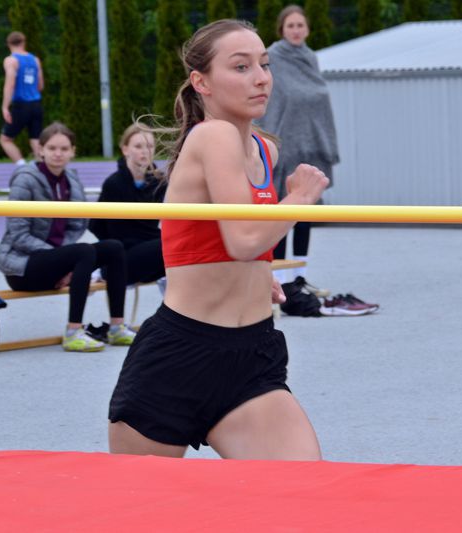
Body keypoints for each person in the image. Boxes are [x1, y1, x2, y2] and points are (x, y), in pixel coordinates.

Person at [108, 19, 329, 460]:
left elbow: (228, 241)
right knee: (141, 515)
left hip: (251, 355)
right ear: (201, 82)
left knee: (302, 498)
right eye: (241, 67)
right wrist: (300, 198)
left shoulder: (264, 149)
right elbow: (244, 237)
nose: (261, 77)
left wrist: (251, 273)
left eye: (264, 65)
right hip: (179, 358)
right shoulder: (213, 134)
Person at [0, 122, 136, 352]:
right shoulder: (25, 179)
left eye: (64, 149)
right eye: (52, 148)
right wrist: (60, 260)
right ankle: (73, 332)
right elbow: (18, 234)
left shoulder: (71, 179)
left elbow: (77, 224)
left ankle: (116, 327)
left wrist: (64, 262)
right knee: (84, 251)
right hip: (22, 267)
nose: (58, 154)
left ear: (73, 151)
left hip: (57, 260)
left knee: (113, 248)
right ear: (40, 150)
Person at [255, 5, 339, 292]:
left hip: (310, 145)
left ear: (307, 29)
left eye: (300, 25)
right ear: (282, 29)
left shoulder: (310, 58)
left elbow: (317, 100)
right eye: (290, 25)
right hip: (283, 146)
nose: (295, 30)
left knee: (306, 212)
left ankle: (299, 277)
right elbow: (269, 100)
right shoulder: (272, 58)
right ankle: (277, 279)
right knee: (282, 211)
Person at [89, 124, 167, 287]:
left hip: (151, 252)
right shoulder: (114, 183)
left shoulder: (160, 182)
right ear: (125, 149)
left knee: (178, 245)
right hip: (123, 256)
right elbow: (95, 224)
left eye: (150, 146)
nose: (145, 151)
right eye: (138, 146)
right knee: (168, 244)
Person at [0, 31, 44, 166]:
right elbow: (40, 85)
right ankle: (43, 169)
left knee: (5, 139)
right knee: (35, 139)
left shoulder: (11, 60)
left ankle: (22, 166)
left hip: (21, 105)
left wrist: (5, 107)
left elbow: (10, 84)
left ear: (8, 44)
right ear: (24, 42)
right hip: (36, 104)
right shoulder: (35, 60)